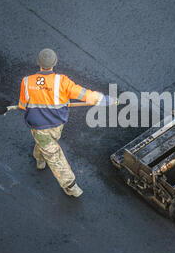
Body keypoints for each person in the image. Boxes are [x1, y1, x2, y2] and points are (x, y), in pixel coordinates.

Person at [19, 49, 114, 197]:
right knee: (54, 155)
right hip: (56, 124)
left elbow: (23, 105)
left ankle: (39, 158)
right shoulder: (62, 81)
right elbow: (85, 95)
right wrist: (104, 100)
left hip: (38, 127)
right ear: (55, 63)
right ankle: (70, 186)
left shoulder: (26, 82)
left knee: (46, 144)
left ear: (39, 63)